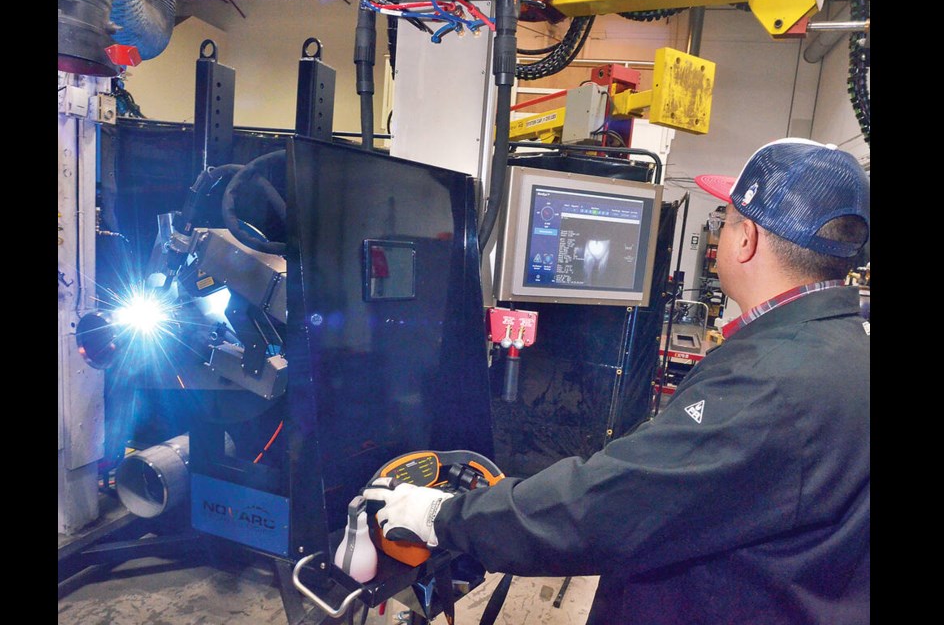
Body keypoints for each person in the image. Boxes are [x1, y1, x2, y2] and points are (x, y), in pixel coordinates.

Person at [363, 138, 870, 624]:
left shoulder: (771, 380)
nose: (721, 233)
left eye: (726, 219)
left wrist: (444, 516)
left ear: (747, 239)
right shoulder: (846, 348)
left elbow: (605, 508)